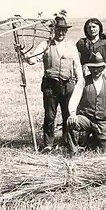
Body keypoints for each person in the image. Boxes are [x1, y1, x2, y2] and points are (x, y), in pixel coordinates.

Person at [24, 16, 83, 153]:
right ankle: (48, 144)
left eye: (63, 30)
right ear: (53, 30)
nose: (61, 33)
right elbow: (33, 60)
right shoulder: (45, 44)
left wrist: (80, 80)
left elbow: (77, 66)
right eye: (58, 29)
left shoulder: (71, 45)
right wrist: (24, 54)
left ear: (66, 31)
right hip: (50, 86)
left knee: (68, 115)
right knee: (50, 116)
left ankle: (68, 143)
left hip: (68, 85)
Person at [66, 53, 106, 155]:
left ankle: (91, 141)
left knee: (100, 152)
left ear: (103, 68)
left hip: (103, 122)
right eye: (93, 68)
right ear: (89, 68)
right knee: (70, 122)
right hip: (86, 118)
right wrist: (72, 113)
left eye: (99, 68)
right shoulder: (83, 81)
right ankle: (73, 152)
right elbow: (75, 97)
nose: (96, 71)